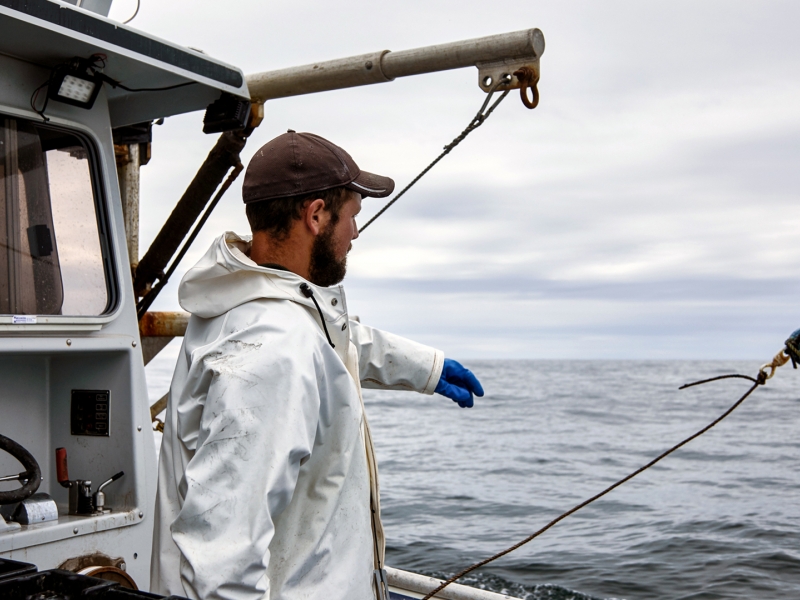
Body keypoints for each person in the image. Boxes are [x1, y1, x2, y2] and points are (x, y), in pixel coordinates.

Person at [151, 130, 484, 600]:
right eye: (351, 217)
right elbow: (222, 558)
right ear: (315, 215)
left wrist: (427, 367)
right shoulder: (274, 352)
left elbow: (339, 342)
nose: (355, 233)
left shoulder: (245, 303)